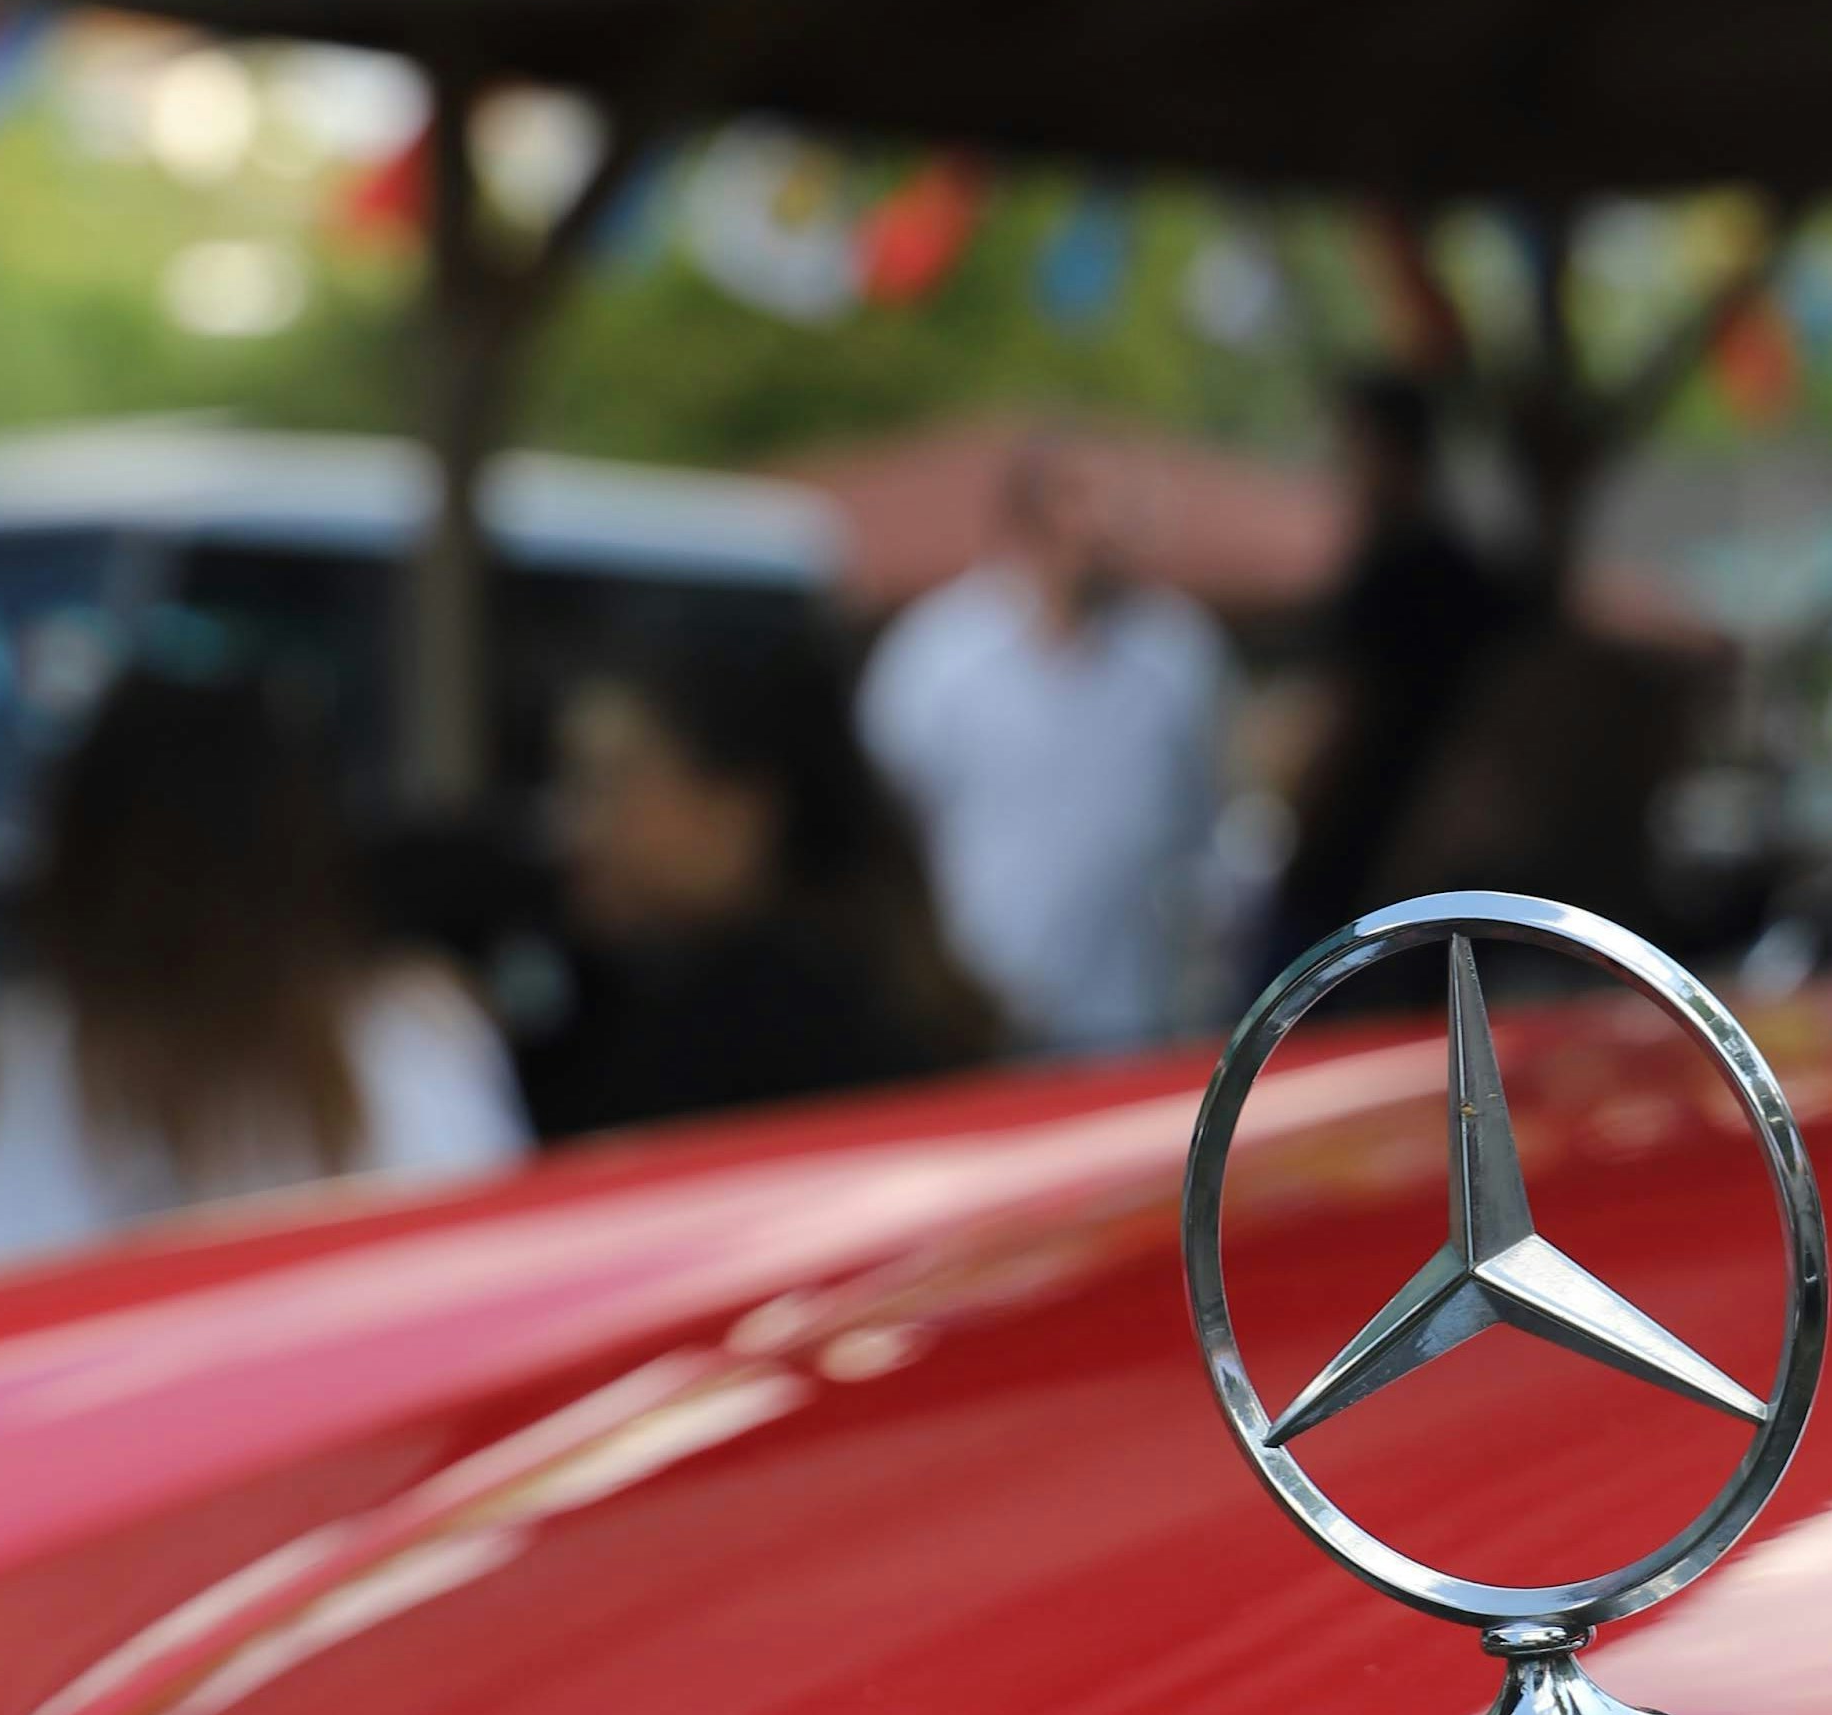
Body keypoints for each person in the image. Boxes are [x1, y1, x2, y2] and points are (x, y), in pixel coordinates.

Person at [0, 658, 526, 1263]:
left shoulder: (42, 1049)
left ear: (85, 862)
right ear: (307, 846)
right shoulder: (415, 1032)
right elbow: (496, 1280)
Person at [523, 598, 998, 1140]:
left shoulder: (742, 1033)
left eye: (608, 785)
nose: (573, 828)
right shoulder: (891, 987)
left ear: (741, 808)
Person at [857, 437, 1226, 1052]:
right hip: (971, 1022)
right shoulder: (936, 653)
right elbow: (879, 832)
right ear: (1028, 518)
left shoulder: (1178, 651)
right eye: (1084, 499)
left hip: (1133, 1022)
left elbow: (1202, 827)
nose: (1109, 521)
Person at [1263, 371, 1531, 966]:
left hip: (1374, 887)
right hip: (1393, 882)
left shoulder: (1410, 579)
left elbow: (1350, 719)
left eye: (1353, 450)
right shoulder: (1433, 571)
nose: (1343, 473)